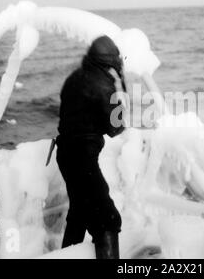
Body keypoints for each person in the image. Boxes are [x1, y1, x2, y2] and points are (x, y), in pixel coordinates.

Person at [56, 35, 126, 259]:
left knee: (79, 214)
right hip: (82, 158)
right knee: (108, 218)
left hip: (65, 154)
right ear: (110, 61)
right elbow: (116, 128)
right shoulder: (104, 84)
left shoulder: (74, 78)